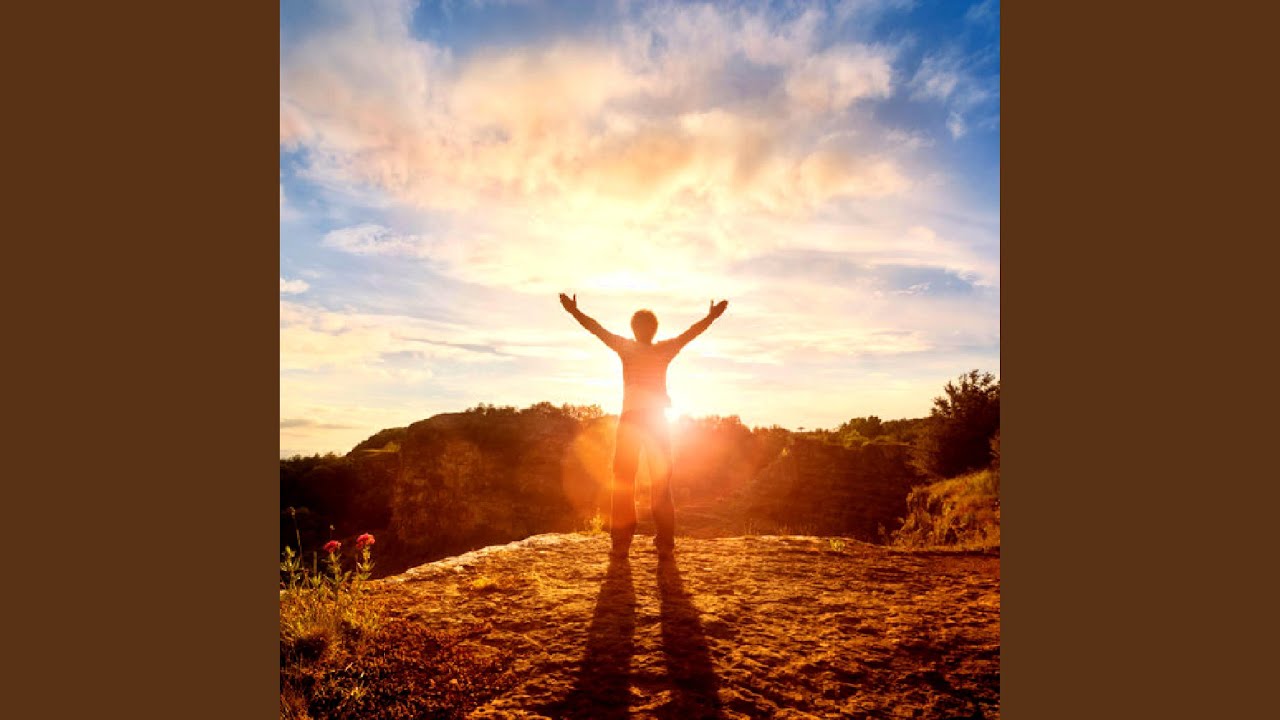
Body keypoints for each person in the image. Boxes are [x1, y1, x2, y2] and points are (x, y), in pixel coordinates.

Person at [559, 293, 729, 560]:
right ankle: (664, 544)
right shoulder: (664, 349)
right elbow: (690, 334)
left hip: (632, 421)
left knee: (623, 480)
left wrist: (573, 311)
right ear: (654, 329)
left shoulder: (625, 348)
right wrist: (711, 317)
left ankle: (621, 543)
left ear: (634, 329)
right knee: (661, 483)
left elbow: (597, 330)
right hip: (657, 421)